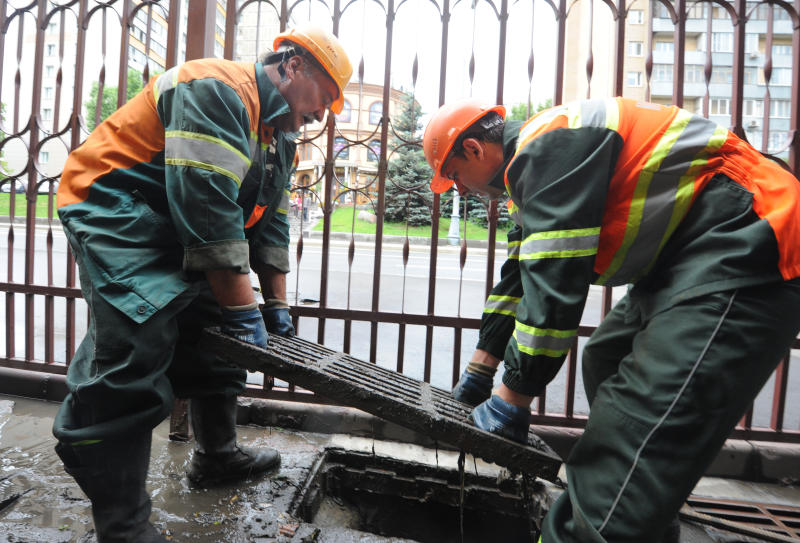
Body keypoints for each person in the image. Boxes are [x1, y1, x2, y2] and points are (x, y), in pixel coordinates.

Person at [422, 98, 800, 543]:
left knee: (626, 437)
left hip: (749, 234)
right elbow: (519, 280)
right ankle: (642, 515)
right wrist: (479, 376)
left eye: (453, 177)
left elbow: (555, 281)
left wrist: (513, 398)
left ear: (473, 149)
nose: (459, 190)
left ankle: (610, 511)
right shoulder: (530, 175)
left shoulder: (546, 148)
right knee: (606, 357)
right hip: (691, 252)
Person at [53, 24, 352, 542]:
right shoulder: (214, 87)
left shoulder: (276, 138)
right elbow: (208, 206)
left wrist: (273, 305)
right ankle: (122, 525)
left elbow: (269, 220)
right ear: (293, 63)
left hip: (170, 221)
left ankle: (217, 457)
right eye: (325, 97)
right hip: (113, 209)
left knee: (220, 336)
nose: (323, 114)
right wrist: (242, 307)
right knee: (138, 341)